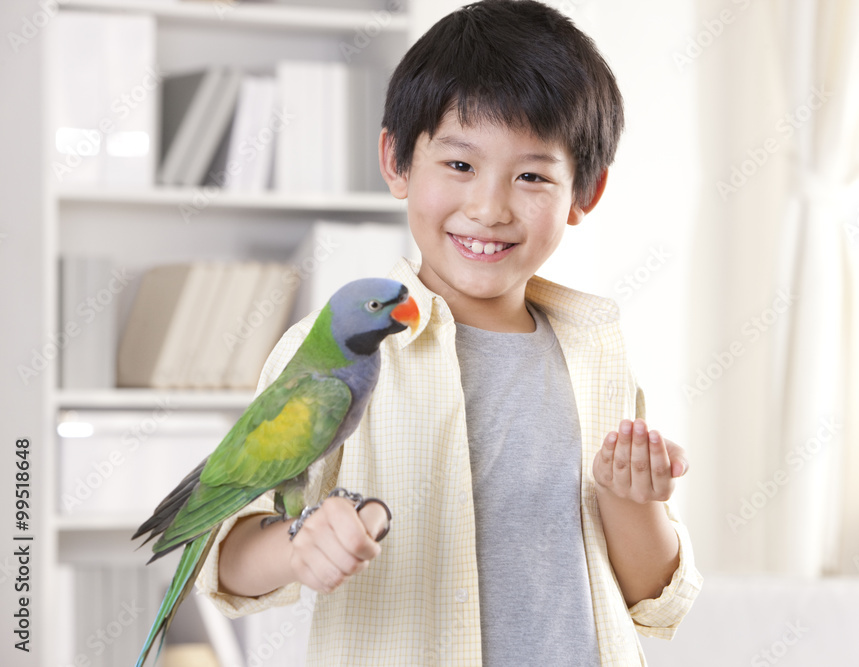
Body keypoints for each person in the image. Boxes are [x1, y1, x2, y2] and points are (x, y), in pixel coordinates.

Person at [197, 1, 702, 664]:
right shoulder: (334, 351)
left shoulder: (596, 351)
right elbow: (225, 558)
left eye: (531, 176)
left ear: (585, 192)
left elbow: (648, 595)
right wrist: (299, 543)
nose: (489, 208)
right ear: (397, 160)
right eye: (460, 165)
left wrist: (633, 501)